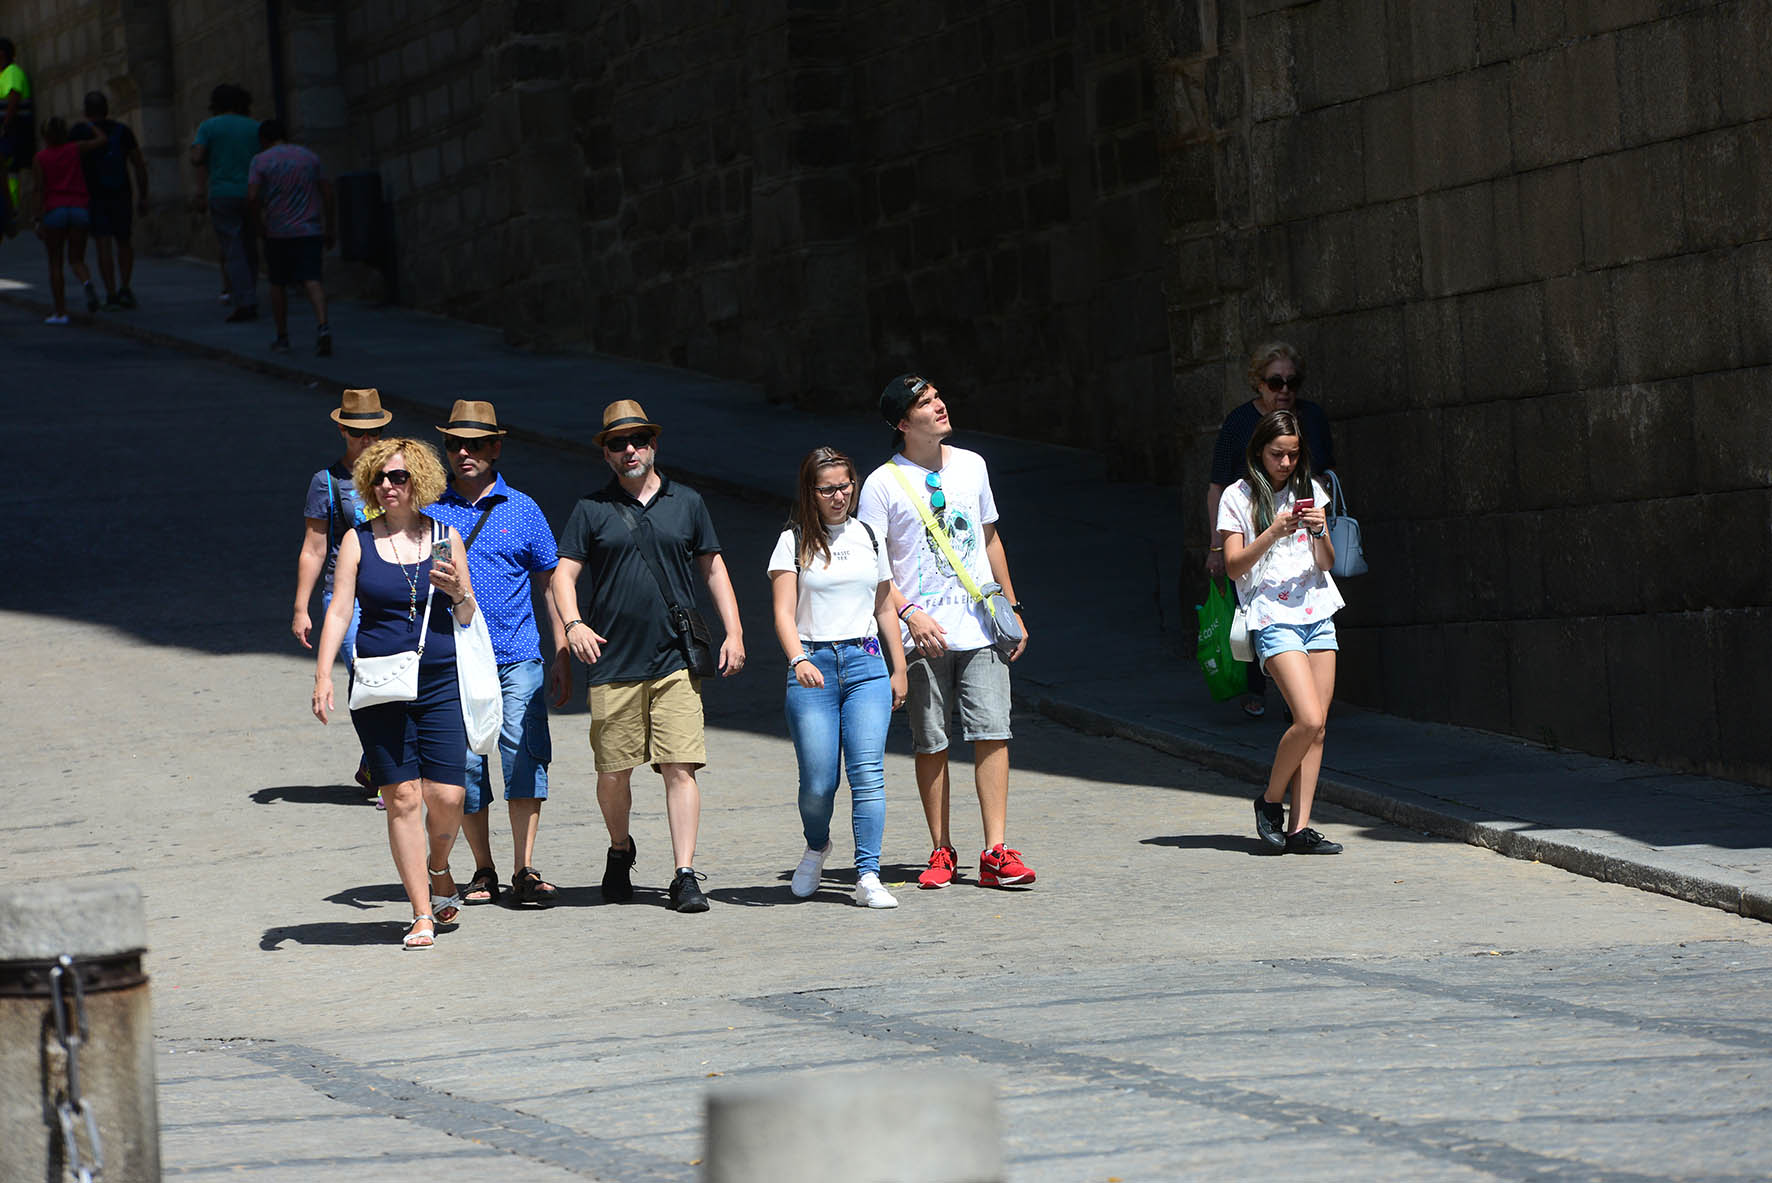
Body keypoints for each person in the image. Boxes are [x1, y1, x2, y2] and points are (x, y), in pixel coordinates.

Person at [551, 399, 746, 914]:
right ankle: (621, 848)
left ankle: (684, 873)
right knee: (613, 773)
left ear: (654, 444)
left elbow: (714, 570)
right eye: (618, 443)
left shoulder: (688, 503)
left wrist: (734, 632)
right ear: (607, 454)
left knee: (680, 766)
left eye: (638, 440)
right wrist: (573, 625)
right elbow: (562, 576)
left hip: (675, 660)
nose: (630, 450)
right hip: (613, 663)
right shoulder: (591, 510)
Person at [857, 373, 1033, 890]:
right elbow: (875, 568)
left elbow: (990, 540)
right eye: (924, 403)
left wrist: (1012, 605)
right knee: (931, 739)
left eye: (937, 396)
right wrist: (909, 613)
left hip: (980, 628)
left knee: (992, 732)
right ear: (901, 422)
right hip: (921, 636)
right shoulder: (881, 483)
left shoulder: (973, 466)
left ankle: (996, 850)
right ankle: (940, 849)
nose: (938, 406)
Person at [312, 437, 478, 949]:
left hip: (441, 679)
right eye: (380, 477)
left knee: (448, 795)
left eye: (399, 477)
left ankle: (440, 865)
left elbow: (468, 616)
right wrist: (322, 675)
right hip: (381, 683)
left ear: (419, 482)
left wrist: (458, 593)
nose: (388, 486)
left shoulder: (447, 537)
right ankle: (422, 913)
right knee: (403, 796)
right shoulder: (359, 542)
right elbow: (340, 610)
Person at [425, 400, 568, 909]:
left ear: (496, 448)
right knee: (463, 766)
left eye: (477, 444)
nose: (465, 453)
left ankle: (523, 868)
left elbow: (552, 584)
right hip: (456, 660)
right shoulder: (432, 513)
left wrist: (562, 650)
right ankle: (482, 868)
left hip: (517, 654)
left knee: (523, 755)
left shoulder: (523, 508)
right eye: (454, 444)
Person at [768, 447, 908, 909]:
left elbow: (884, 605)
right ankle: (817, 845)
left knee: (868, 774)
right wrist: (797, 660)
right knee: (818, 782)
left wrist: (898, 666)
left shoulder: (868, 534)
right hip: (813, 666)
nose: (838, 496)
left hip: (866, 661)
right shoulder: (793, 540)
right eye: (827, 488)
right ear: (810, 492)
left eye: (845, 485)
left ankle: (868, 874)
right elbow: (783, 613)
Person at [1217, 409, 1346, 856]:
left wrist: (1320, 531)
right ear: (1258, 452)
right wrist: (1273, 530)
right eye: (1277, 454)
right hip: (1272, 614)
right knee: (1306, 718)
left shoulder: (1312, 490)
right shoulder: (1238, 496)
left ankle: (1300, 828)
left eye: (1293, 455)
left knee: (1319, 727)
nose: (1286, 463)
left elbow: (1327, 563)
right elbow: (1233, 565)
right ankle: (1270, 800)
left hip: (1318, 611)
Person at [294, 388, 389, 802]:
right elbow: (314, 547)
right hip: (345, 596)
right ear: (341, 430)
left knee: (396, 679)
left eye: (374, 432)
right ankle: (386, 765)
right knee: (366, 678)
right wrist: (301, 607)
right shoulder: (327, 482)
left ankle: (380, 758)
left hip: (392, 592)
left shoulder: (399, 475)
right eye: (356, 432)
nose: (366, 441)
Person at [247, 118, 334, 356]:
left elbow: (253, 196)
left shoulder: (260, 161)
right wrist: (330, 226)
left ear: (264, 139)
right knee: (312, 279)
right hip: (309, 229)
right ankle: (323, 326)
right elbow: (327, 192)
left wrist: (259, 225)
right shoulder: (309, 157)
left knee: (277, 283)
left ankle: (282, 336)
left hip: (278, 232)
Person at [70, 91, 148, 310]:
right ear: (107, 109)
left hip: (94, 194)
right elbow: (138, 164)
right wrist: (143, 195)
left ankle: (111, 293)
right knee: (124, 240)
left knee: (103, 242)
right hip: (121, 192)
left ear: (86, 111)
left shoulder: (80, 132)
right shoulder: (123, 131)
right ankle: (125, 287)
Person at [190, 84, 260, 322]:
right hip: (252, 193)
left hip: (223, 193)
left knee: (233, 248)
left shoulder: (209, 126)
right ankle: (252, 291)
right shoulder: (256, 127)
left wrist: (200, 190)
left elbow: (197, 157)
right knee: (251, 246)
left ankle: (244, 300)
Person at [28, 116, 107, 324]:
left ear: (45, 136)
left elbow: (38, 189)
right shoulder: (75, 149)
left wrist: (37, 218)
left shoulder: (41, 158)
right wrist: (90, 124)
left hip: (55, 211)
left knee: (55, 263)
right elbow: (102, 140)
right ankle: (87, 282)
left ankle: (61, 312)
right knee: (77, 259)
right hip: (79, 208)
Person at [0, 38, 32, 234]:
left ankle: (11, 211)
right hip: (9, 132)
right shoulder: (4, 74)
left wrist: (4, 126)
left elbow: (14, 98)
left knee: (8, 170)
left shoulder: (12, 72)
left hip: (13, 132)